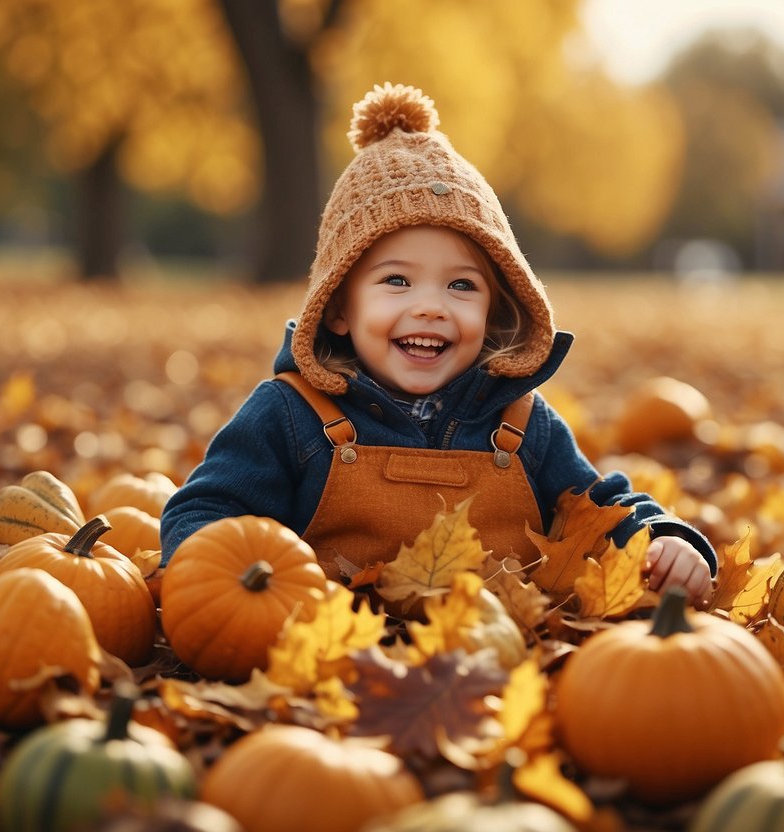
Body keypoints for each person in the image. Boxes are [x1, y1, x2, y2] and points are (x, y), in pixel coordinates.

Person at [160, 83, 717, 608]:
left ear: (496, 309)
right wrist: (211, 574)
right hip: (325, 663)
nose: (431, 306)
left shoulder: (522, 424)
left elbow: (599, 509)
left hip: (490, 672)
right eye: (397, 281)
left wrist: (661, 538)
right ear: (336, 308)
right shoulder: (290, 414)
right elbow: (207, 507)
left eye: (461, 285)